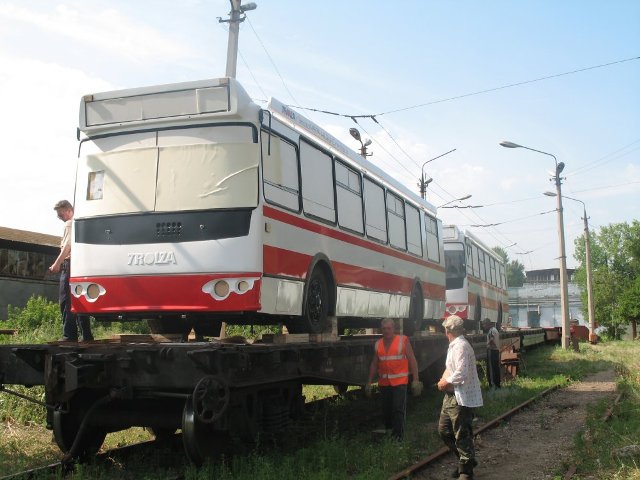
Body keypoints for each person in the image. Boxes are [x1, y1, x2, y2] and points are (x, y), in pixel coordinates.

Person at [437, 315, 483, 480]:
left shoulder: (461, 346)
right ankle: (468, 460)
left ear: (447, 330)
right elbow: (450, 367)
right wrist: (444, 379)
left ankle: (466, 471)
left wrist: (445, 382)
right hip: (450, 396)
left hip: (460, 396)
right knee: (444, 431)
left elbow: (461, 374)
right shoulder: (454, 345)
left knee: (461, 434)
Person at [366, 318, 423, 439]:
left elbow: (412, 360)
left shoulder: (403, 340)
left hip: (400, 382)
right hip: (384, 383)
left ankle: (398, 438)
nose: (386, 331)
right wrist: (369, 382)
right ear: (381, 330)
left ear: (394, 329)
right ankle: (389, 433)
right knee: (386, 410)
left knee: (398, 409)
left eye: (389, 328)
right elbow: (374, 363)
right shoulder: (378, 344)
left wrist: (416, 379)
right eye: (384, 329)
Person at [49, 200, 93, 342]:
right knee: (79, 299)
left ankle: (70, 335)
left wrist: (57, 264)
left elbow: (67, 246)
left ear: (68, 210)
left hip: (70, 264)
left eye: (60, 214)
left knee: (66, 300)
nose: (59, 217)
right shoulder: (81, 224)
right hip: (80, 265)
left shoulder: (69, 224)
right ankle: (86, 336)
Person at [482, 318, 501, 388]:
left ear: (488, 324)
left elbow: (492, 339)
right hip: (496, 351)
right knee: (496, 368)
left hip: (492, 351)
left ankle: (492, 385)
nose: (483, 326)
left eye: (484, 324)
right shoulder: (495, 330)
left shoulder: (491, 331)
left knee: (491, 369)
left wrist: (487, 345)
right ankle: (497, 384)